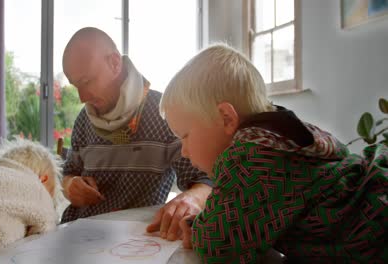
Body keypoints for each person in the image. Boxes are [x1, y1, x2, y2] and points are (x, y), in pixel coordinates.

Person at [160, 44, 387, 263]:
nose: (184, 151)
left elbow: (220, 249)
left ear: (226, 118)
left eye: (185, 136)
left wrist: (196, 227)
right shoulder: (285, 136)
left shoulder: (249, 156)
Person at [60, 27, 213, 241]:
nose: (82, 97)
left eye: (86, 82)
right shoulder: (83, 120)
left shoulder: (164, 113)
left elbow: (205, 180)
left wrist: (193, 198)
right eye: (76, 86)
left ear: (114, 62)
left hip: (134, 242)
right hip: (78, 235)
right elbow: (68, 173)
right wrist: (70, 185)